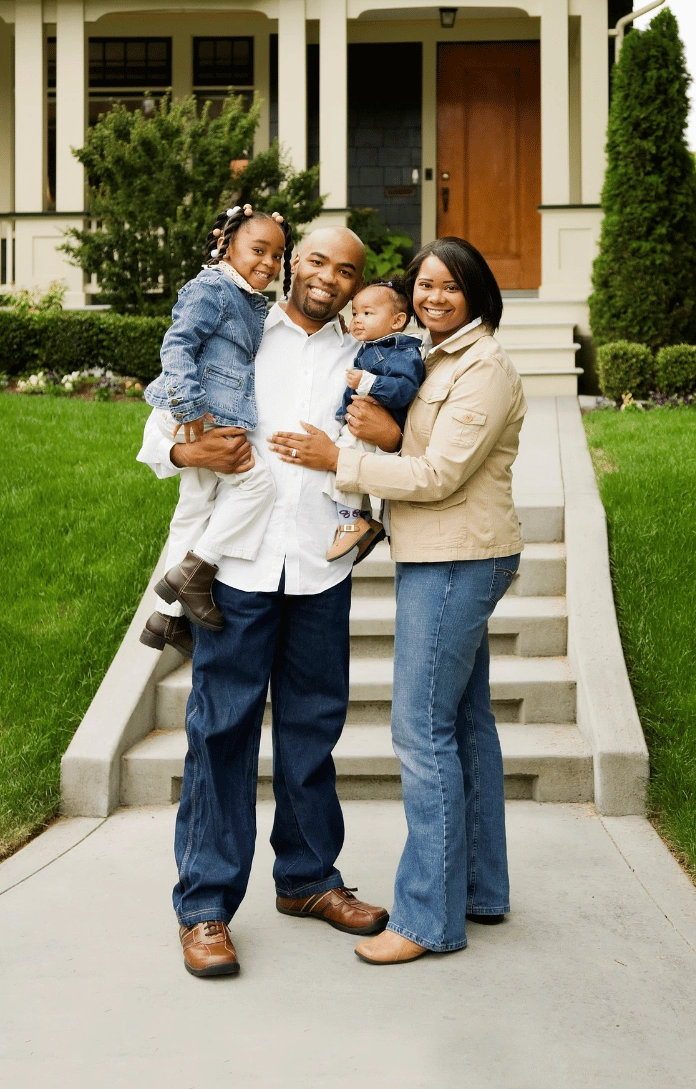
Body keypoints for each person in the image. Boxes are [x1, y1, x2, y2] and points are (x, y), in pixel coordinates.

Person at [137, 226, 401, 978]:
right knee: (221, 732)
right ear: (293, 264)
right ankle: (206, 909)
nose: (329, 278)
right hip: (239, 570)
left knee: (313, 729)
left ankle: (309, 880)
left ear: (357, 284)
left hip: (320, 566)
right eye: (316, 260)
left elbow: (393, 445)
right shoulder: (243, 323)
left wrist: (379, 439)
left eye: (346, 269)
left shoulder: (366, 349)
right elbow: (159, 436)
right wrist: (191, 450)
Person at [269, 236, 527, 967]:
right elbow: (419, 442)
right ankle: (478, 889)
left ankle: (426, 920)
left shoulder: (482, 367)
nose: (433, 298)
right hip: (451, 551)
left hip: (455, 557)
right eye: (424, 285)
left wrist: (342, 460)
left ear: (476, 293)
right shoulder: (438, 356)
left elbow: (441, 472)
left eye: (450, 287)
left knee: (421, 732)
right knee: (467, 724)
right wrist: (383, 438)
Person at [139, 204, 292, 655]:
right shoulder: (214, 287)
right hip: (195, 413)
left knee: (193, 508)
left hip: (203, 411)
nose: (268, 262)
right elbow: (178, 342)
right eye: (258, 250)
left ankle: (165, 619)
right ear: (226, 245)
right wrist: (189, 409)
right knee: (257, 484)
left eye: (278, 255)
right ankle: (197, 570)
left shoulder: (246, 297)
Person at [324, 276, 425, 563]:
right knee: (346, 471)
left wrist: (368, 382)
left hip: (376, 424)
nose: (357, 319)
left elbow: (404, 390)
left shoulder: (402, 352)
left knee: (342, 470)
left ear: (397, 321)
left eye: (368, 314)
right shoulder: (371, 347)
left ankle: (350, 524)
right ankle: (366, 521)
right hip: (359, 423)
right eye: (355, 313)